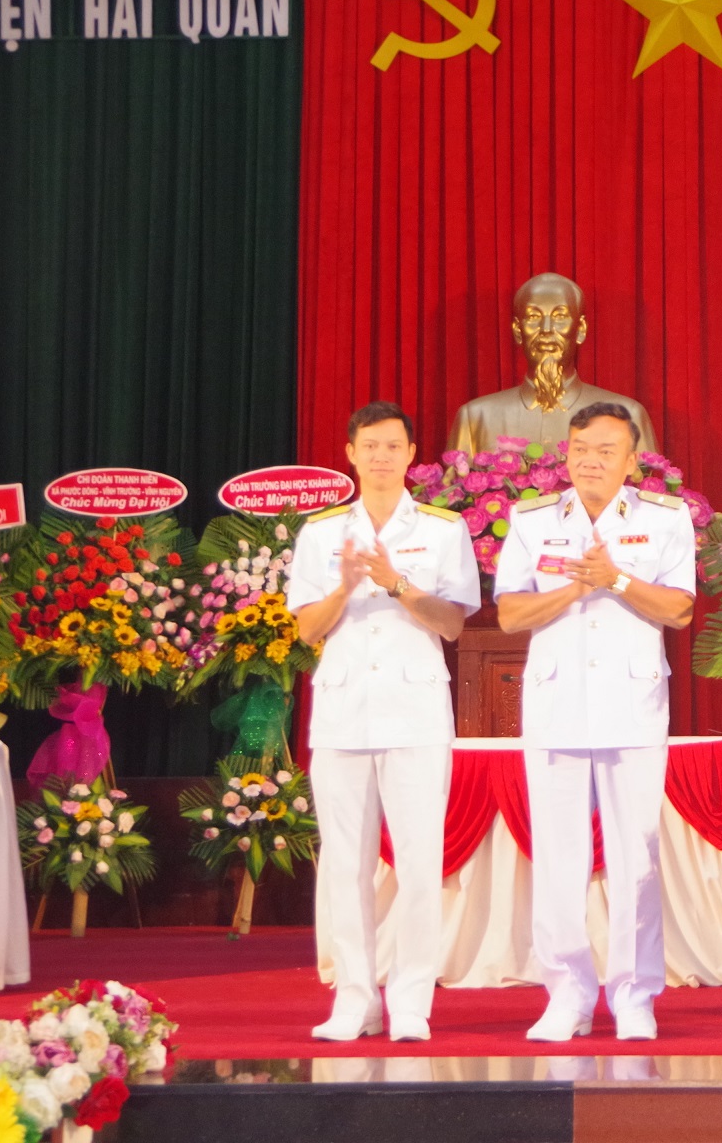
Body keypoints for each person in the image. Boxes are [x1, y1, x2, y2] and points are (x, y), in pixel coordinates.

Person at [494, 402, 697, 1042]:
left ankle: (634, 997)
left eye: (606, 451)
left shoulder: (665, 518)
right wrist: (575, 590)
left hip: (632, 707)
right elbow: (509, 615)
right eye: (580, 449)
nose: (590, 461)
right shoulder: (532, 520)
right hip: (555, 705)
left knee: (636, 858)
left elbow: (680, 610)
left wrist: (616, 580)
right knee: (558, 859)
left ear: (632, 460)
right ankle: (568, 996)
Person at [288, 401, 481, 1044]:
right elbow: (307, 629)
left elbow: (453, 625)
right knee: (345, 864)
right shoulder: (321, 533)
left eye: (393, 446)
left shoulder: (443, 528)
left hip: (415, 714)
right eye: (369, 445)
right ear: (350, 453)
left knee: (420, 862)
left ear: (411, 455)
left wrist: (397, 583)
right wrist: (344, 586)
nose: (380, 457)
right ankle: (355, 1000)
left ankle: (412, 1002)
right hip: (342, 714)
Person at [448, 272, 658, 456]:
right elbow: (452, 489)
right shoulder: (475, 418)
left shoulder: (627, 416)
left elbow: (647, 486)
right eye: (533, 316)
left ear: (580, 329)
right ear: (518, 331)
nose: (546, 329)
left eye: (560, 316)